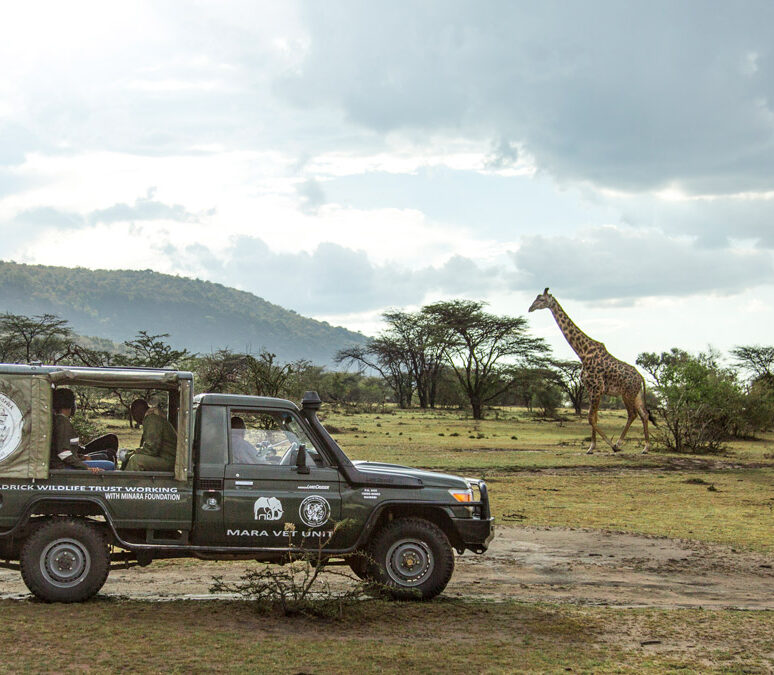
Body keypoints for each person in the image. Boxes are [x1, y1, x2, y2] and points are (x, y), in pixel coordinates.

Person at [50, 388, 116, 472]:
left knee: (104, 456)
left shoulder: (59, 420)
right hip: (64, 466)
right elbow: (63, 454)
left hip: (64, 463)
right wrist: (86, 467)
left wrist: (81, 457)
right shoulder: (62, 422)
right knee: (109, 465)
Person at [122, 398, 177, 472]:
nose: (134, 418)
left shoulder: (151, 420)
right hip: (167, 458)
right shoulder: (152, 418)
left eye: (133, 414)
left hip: (169, 461)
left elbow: (150, 449)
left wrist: (127, 455)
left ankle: (124, 483)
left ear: (137, 412)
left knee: (135, 460)